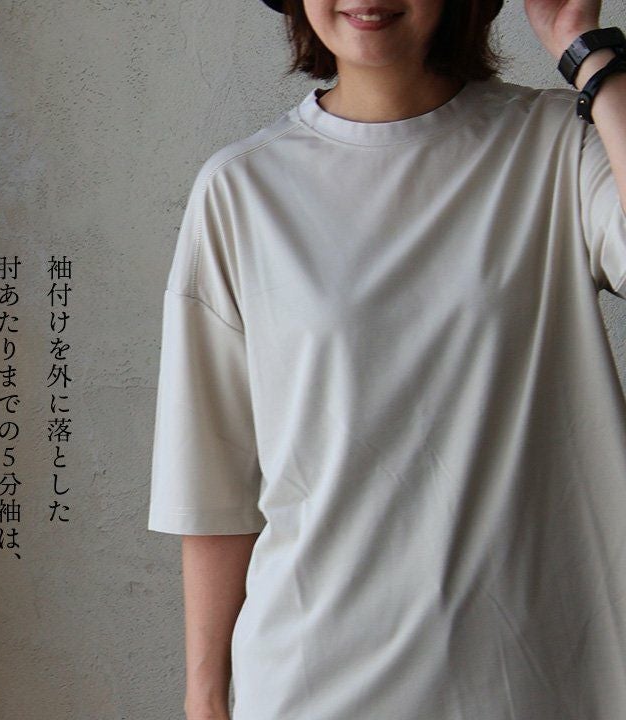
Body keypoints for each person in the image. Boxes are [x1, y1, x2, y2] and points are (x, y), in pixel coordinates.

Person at [148, 0, 626, 718]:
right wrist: (205, 699)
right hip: (311, 687)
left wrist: (584, 48)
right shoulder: (241, 190)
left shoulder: (557, 145)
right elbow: (211, 481)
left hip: (534, 683)